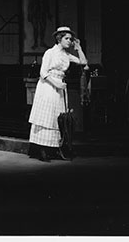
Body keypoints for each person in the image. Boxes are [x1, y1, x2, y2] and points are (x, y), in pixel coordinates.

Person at [28, 26, 89, 162]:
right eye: (66, 38)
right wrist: (56, 84)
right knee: (46, 116)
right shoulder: (50, 53)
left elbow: (84, 62)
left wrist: (78, 48)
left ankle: (54, 149)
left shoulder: (66, 55)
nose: (69, 41)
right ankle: (42, 150)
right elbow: (43, 73)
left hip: (60, 87)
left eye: (70, 39)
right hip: (48, 86)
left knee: (57, 117)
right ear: (59, 39)